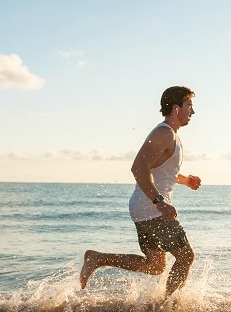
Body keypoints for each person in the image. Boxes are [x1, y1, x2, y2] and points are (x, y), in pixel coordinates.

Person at [80, 86, 201, 300]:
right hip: (151, 207)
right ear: (175, 109)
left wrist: (185, 180)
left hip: (145, 207)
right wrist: (159, 201)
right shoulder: (164, 132)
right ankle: (168, 309)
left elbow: (161, 170)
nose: (192, 111)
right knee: (186, 257)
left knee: (155, 266)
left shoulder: (171, 135)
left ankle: (98, 258)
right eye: (189, 106)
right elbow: (138, 167)